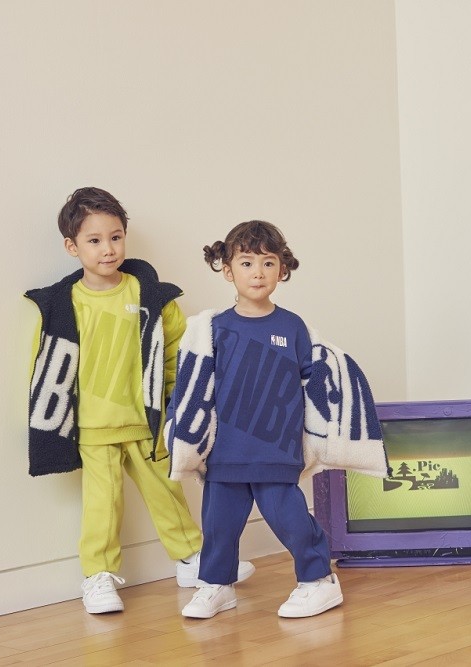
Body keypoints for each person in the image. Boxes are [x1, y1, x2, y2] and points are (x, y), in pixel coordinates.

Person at [24, 187, 254, 615]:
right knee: (102, 505)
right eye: (94, 240)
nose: (108, 249)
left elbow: (178, 355)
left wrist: (181, 404)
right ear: (72, 247)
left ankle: (192, 560)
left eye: (115, 237)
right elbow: (47, 368)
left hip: (148, 421)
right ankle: (97, 576)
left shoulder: (149, 295)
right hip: (93, 427)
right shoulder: (62, 304)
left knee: (168, 491)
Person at [165, 220, 389, 620]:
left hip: (276, 448)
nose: (258, 272)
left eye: (268, 263)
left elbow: (317, 380)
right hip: (226, 452)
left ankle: (319, 580)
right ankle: (216, 585)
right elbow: (197, 385)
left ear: (282, 269)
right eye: (247, 263)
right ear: (228, 270)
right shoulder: (215, 328)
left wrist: (326, 432)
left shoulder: (292, 327)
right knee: (218, 526)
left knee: (290, 520)